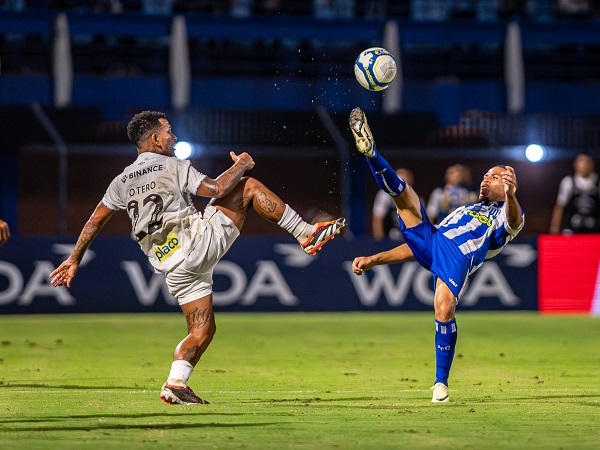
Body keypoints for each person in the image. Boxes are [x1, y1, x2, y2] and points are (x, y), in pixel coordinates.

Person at [50, 110, 346, 405]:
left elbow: (95, 220)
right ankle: (305, 233)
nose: (174, 136)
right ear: (155, 139)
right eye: (169, 131)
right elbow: (217, 188)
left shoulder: (121, 181)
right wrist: (241, 164)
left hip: (171, 267)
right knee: (249, 186)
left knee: (202, 331)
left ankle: (175, 383)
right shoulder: (171, 165)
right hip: (195, 245)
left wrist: (74, 259)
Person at [348, 107, 524, 403]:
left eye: (494, 177)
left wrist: (511, 195)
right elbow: (419, 248)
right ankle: (371, 153)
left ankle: (440, 382)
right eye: (485, 176)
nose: (486, 180)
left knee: (443, 309)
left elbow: (515, 222)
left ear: (506, 184)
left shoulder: (504, 214)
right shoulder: (466, 208)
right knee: (404, 195)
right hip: (436, 238)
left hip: (458, 257)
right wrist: (374, 259)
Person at [549, 153, 599, 234]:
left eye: (587, 162)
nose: (584, 165)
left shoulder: (598, 182)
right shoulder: (568, 182)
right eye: (582, 162)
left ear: (592, 165)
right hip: (572, 229)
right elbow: (560, 206)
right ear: (575, 165)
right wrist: (554, 228)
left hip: (594, 230)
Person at [372, 168, 414, 241]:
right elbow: (377, 219)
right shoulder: (385, 195)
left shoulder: (416, 198)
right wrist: (380, 242)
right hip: (389, 239)